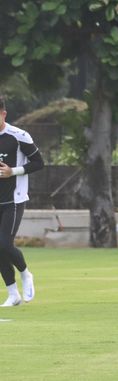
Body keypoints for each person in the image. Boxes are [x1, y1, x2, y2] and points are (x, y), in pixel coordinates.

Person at [0, 97, 43, 307]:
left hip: (13, 200)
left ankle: (26, 274)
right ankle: (12, 294)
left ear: (3, 114)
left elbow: (39, 163)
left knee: (4, 244)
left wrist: (12, 172)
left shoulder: (18, 136)